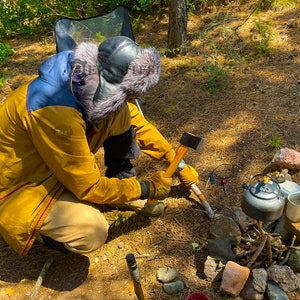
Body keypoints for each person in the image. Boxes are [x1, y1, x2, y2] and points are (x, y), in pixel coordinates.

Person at [0, 36, 199, 255]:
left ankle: (119, 182)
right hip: (22, 186)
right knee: (91, 231)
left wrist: (175, 160)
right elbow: (88, 187)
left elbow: (138, 124)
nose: (132, 100)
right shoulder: (56, 113)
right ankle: (44, 234)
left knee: (120, 114)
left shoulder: (84, 77)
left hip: (52, 163)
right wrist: (146, 188)